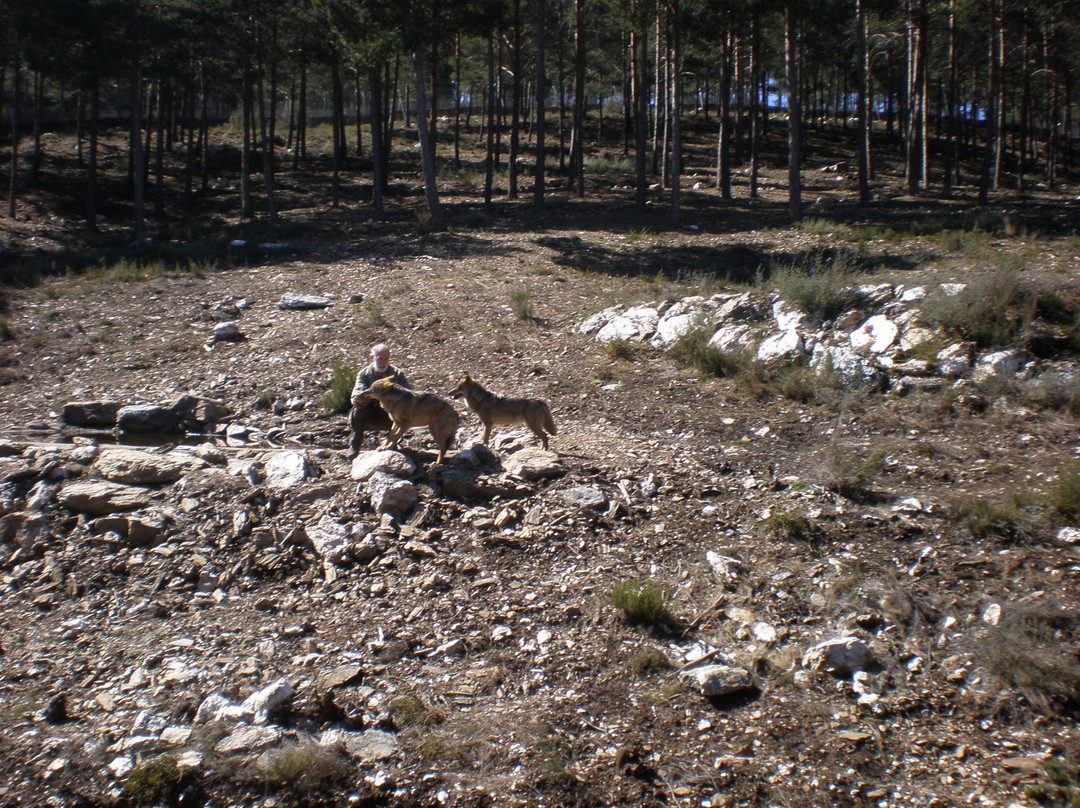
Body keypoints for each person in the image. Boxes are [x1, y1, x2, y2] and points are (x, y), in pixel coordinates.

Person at [348, 343, 410, 456]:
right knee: (357, 412)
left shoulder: (397, 374)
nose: (383, 362)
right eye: (380, 358)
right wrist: (361, 398)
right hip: (371, 414)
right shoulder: (364, 374)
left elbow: (410, 394)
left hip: (390, 415)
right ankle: (354, 448)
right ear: (372, 358)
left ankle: (392, 445)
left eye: (386, 359)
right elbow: (356, 395)